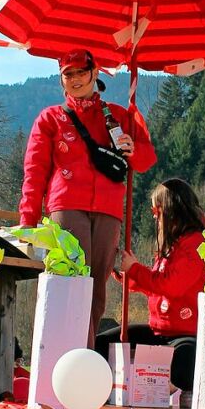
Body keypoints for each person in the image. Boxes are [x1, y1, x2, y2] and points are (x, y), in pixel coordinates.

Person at [18, 48, 157, 345]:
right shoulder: (51, 119)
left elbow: (145, 161)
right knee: (71, 284)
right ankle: (64, 354)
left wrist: (135, 149)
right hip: (66, 206)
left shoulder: (119, 116)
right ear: (61, 80)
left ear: (95, 73)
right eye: (68, 74)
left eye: (81, 72)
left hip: (108, 209)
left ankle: (86, 358)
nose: (76, 79)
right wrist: (28, 221)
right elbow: (35, 171)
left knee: (96, 291)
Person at [95, 179, 205, 398]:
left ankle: (175, 390)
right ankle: (103, 391)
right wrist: (123, 272)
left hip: (184, 333)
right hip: (159, 331)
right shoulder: (170, 246)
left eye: (157, 210)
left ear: (172, 210)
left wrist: (135, 270)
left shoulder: (196, 245)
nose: (155, 217)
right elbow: (154, 286)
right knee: (102, 343)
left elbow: (170, 285)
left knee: (185, 359)